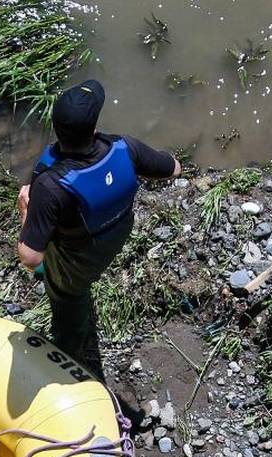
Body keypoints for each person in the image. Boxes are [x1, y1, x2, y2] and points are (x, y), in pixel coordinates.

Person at [17, 79, 182, 383]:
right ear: (93, 127)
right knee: (67, 269)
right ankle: (56, 276)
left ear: (56, 127)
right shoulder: (126, 148)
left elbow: (29, 256)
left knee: (68, 296)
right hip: (116, 233)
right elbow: (173, 168)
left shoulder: (50, 186)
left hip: (77, 254)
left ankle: (67, 351)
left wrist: (26, 211)